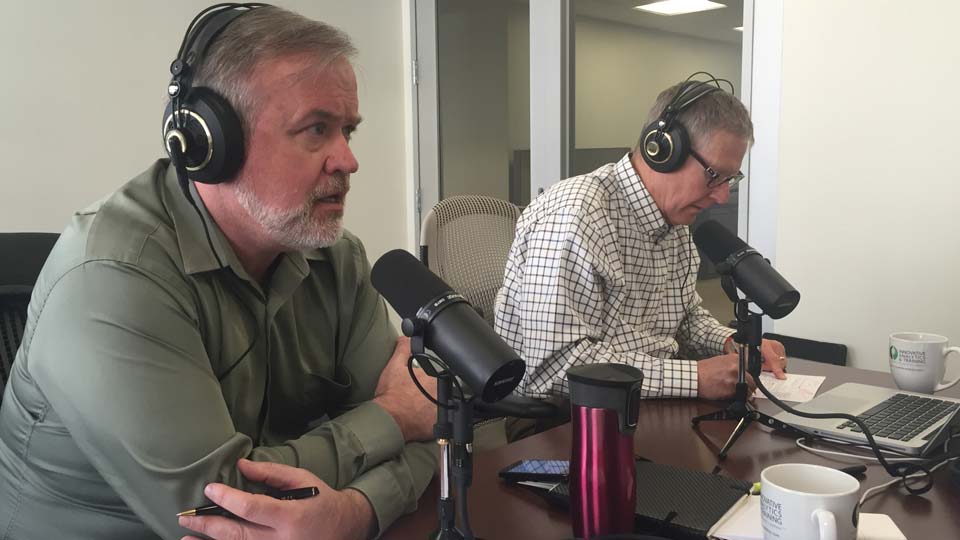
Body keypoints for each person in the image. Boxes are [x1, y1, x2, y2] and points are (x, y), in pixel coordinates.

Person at [0, 5, 435, 539]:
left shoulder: (336, 259)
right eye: (317, 129)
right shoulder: (111, 278)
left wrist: (355, 511)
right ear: (211, 143)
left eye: (348, 130)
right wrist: (392, 418)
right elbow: (217, 509)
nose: (347, 160)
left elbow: (432, 429)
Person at [494, 77, 787, 431]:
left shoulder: (674, 222)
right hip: (565, 421)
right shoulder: (576, 214)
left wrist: (730, 343)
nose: (723, 196)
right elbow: (553, 367)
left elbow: (685, 317)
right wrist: (694, 377)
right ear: (662, 150)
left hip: (646, 406)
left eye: (731, 179)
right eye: (714, 175)